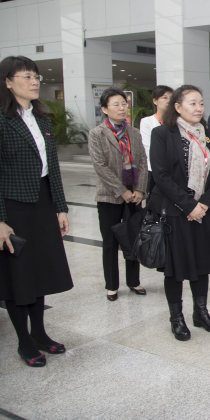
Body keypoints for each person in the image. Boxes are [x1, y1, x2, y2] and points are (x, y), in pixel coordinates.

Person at [0, 56, 73, 367]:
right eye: (25, 76)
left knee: (40, 272)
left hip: (42, 205)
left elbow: (53, 170)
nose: (34, 81)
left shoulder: (42, 120)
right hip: (12, 209)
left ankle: (40, 333)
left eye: (36, 76)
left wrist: (60, 208)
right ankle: (24, 341)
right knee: (17, 277)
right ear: (7, 82)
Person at [148, 85, 210, 341]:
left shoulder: (206, 133)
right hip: (175, 212)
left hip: (203, 212)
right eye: (192, 103)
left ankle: (200, 312)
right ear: (177, 106)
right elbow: (160, 175)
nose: (198, 108)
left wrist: (203, 203)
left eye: (201, 103)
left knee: (202, 263)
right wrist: (189, 205)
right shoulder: (162, 133)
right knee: (176, 268)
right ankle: (177, 318)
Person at [89, 87, 148, 300]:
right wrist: (122, 191)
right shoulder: (97, 134)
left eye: (124, 104)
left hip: (134, 196)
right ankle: (112, 285)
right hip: (109, 196)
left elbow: (142, 162)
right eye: (116, 104)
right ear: (105, 109)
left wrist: (139, 189)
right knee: (110, 242)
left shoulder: (134, 132)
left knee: (133, 238)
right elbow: (100, 166)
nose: (122, 108)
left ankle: (134, 281)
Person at [139, 85, 173, 194]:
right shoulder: (147, 121)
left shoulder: (176, 122)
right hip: (154, 170)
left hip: (173, 170)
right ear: (155, 101)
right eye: (164, 97)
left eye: (171, 98)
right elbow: (148, 147)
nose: (168, 101)